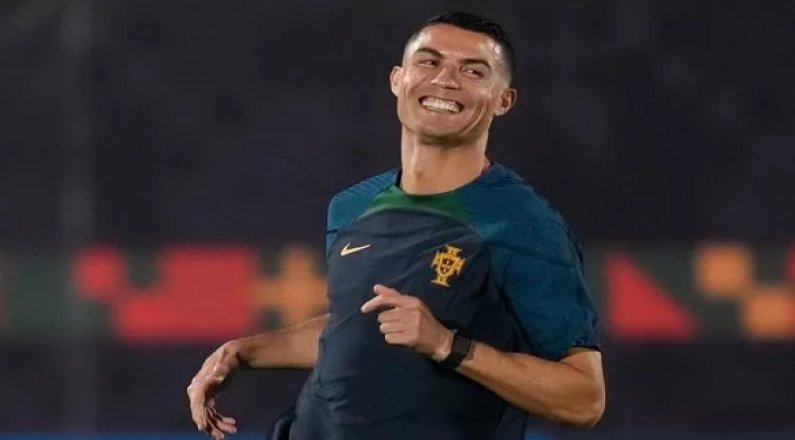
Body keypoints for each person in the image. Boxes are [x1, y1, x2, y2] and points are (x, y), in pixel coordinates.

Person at [187, 11, 605, 440]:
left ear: (503, 100)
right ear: (397, 79)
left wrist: (447, 345)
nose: (445, 79)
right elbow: (352, 331)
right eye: (429, 61)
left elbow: (583, 399)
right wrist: (239, 353)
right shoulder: (351, 207)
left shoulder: (523, 224)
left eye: (473, 71)